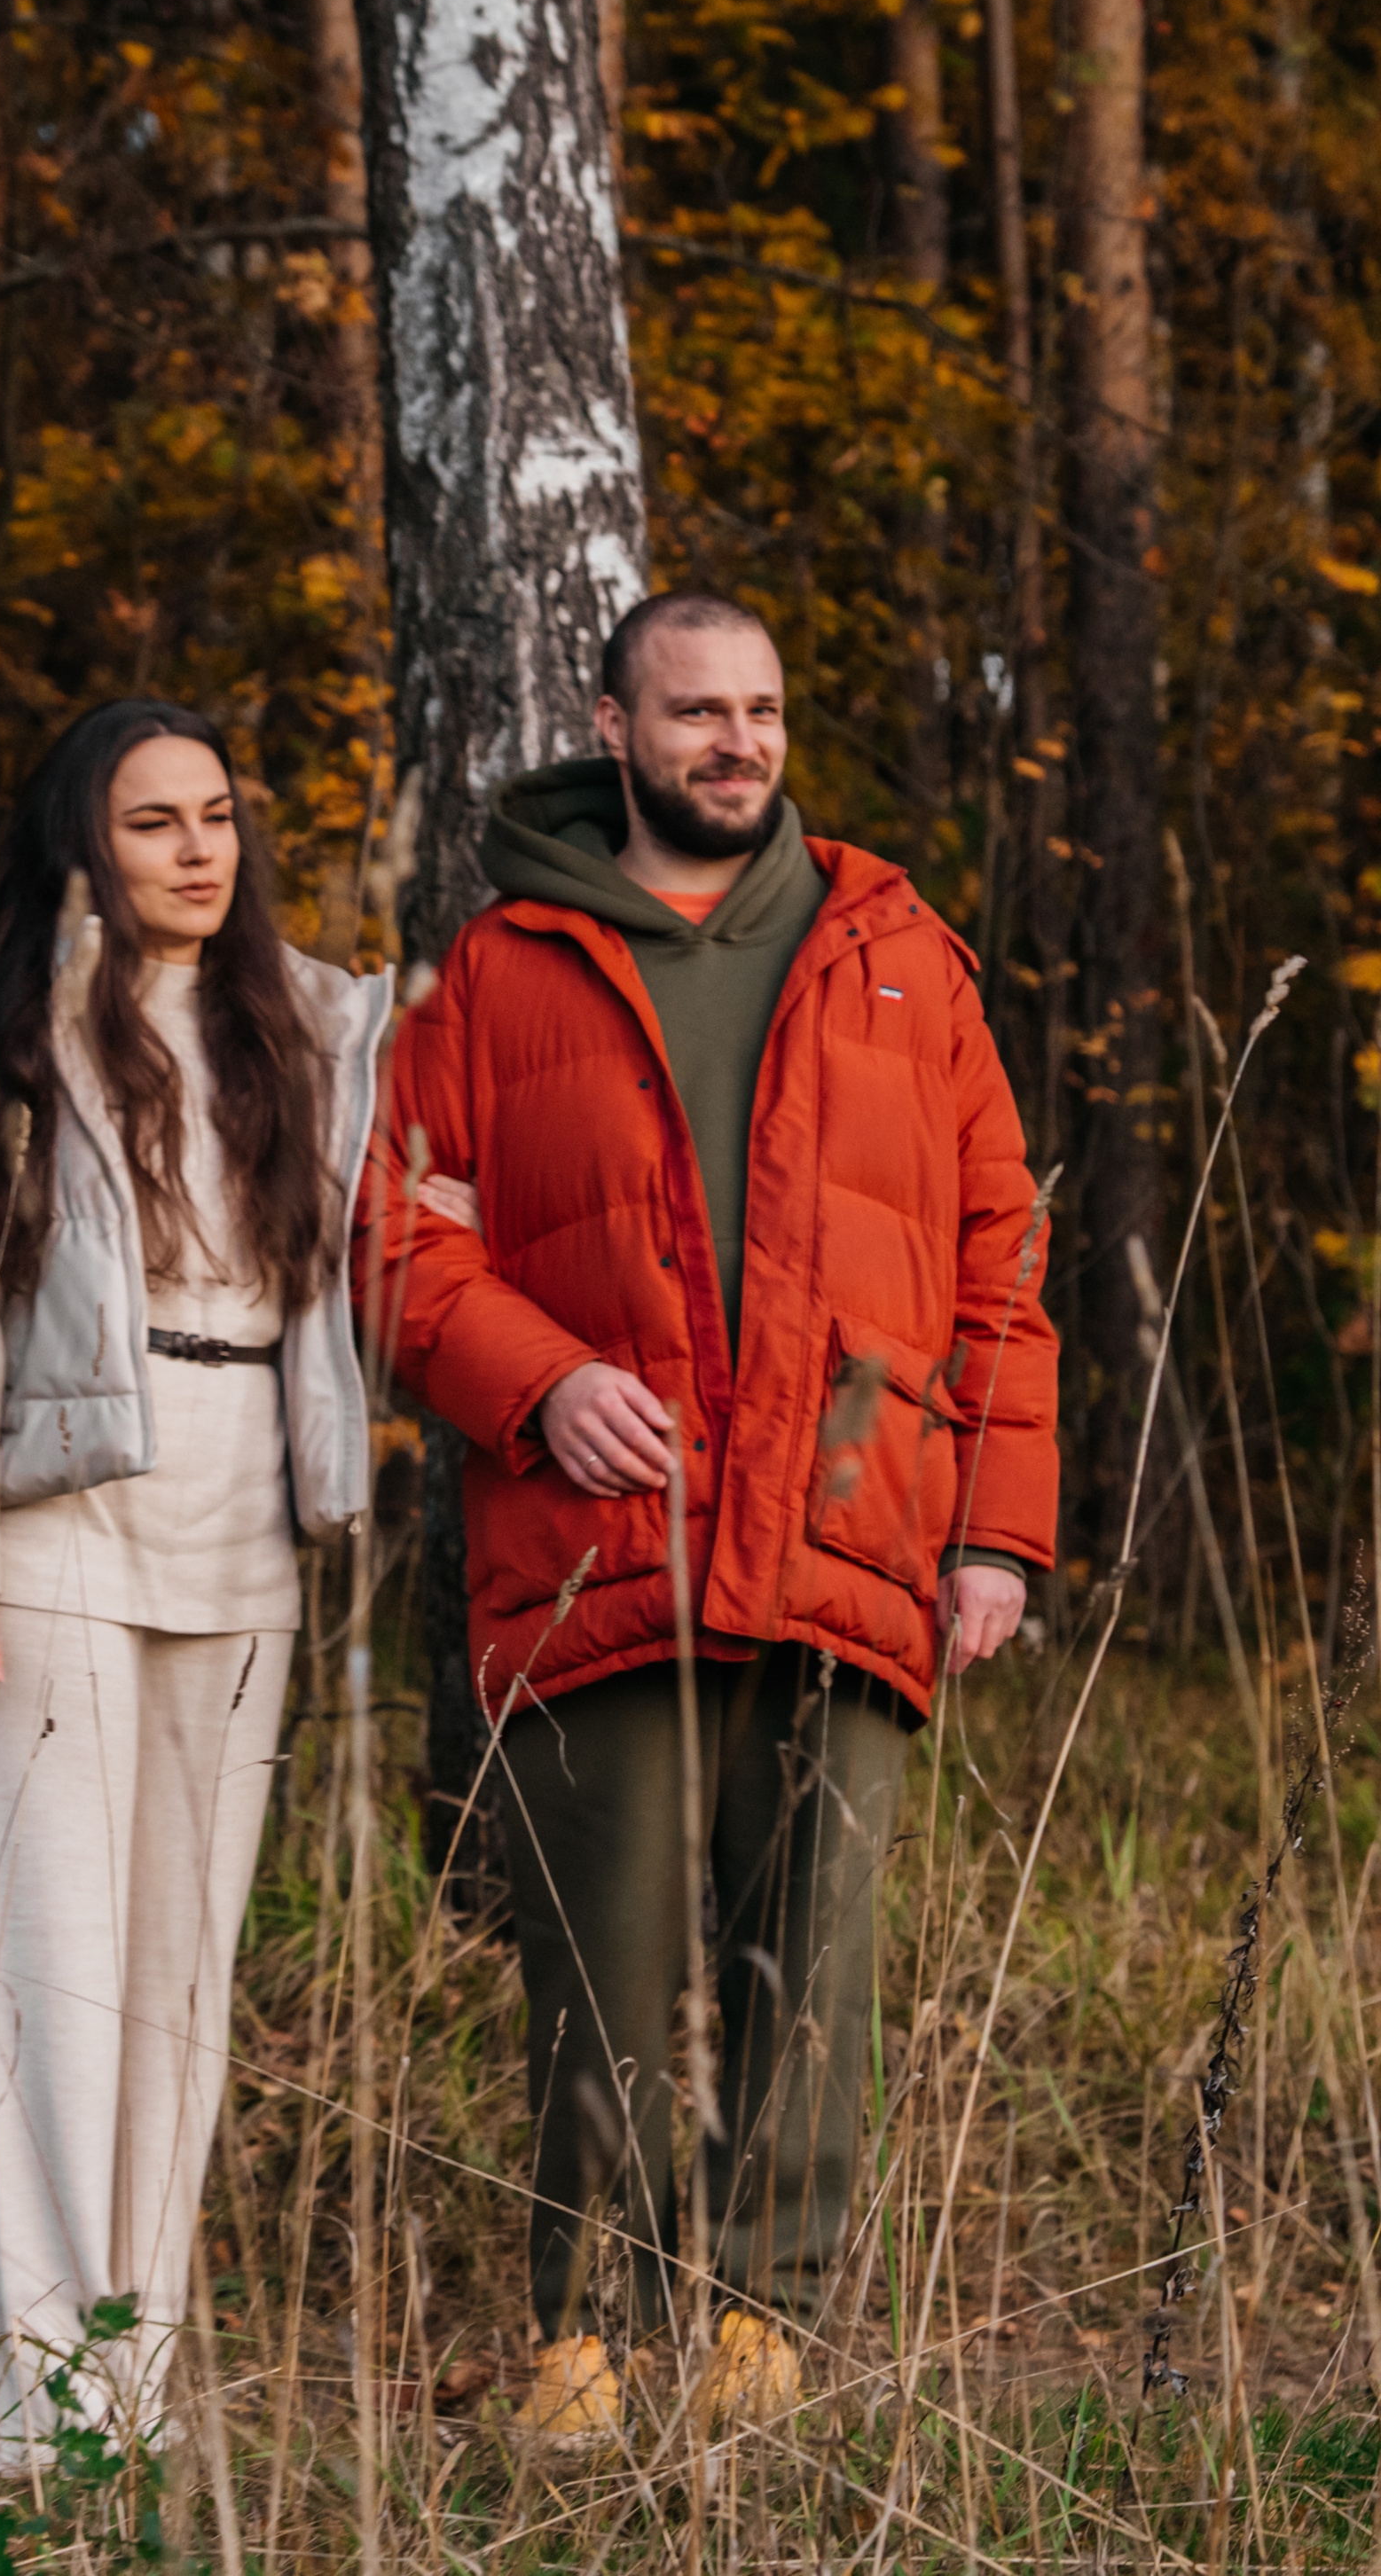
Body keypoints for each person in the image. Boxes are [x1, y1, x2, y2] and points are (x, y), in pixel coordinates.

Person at [359, 591, 1058, 2431]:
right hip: (602, 1542)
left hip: (848, 1524)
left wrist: (991, 1526)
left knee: (809, 1954)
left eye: (755, 709)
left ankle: (757, 2330)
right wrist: (532, 1375)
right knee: (596, 1960)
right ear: (613, 723)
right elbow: (395, 1235)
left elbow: (995, 1257)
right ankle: (579, 2342)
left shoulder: (897, 950)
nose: (730, 742)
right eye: (690, 713)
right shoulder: (497, 966)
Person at [0, 697, 389, 2466]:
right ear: (82, 848)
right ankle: (25, 2423)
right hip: (48, 1526)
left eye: (216, 815)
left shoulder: (316, 1021)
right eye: (152, 821)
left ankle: (129, 2388)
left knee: (178, 1982)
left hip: (243, 1519)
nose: (197, 848)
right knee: (47, 1975)